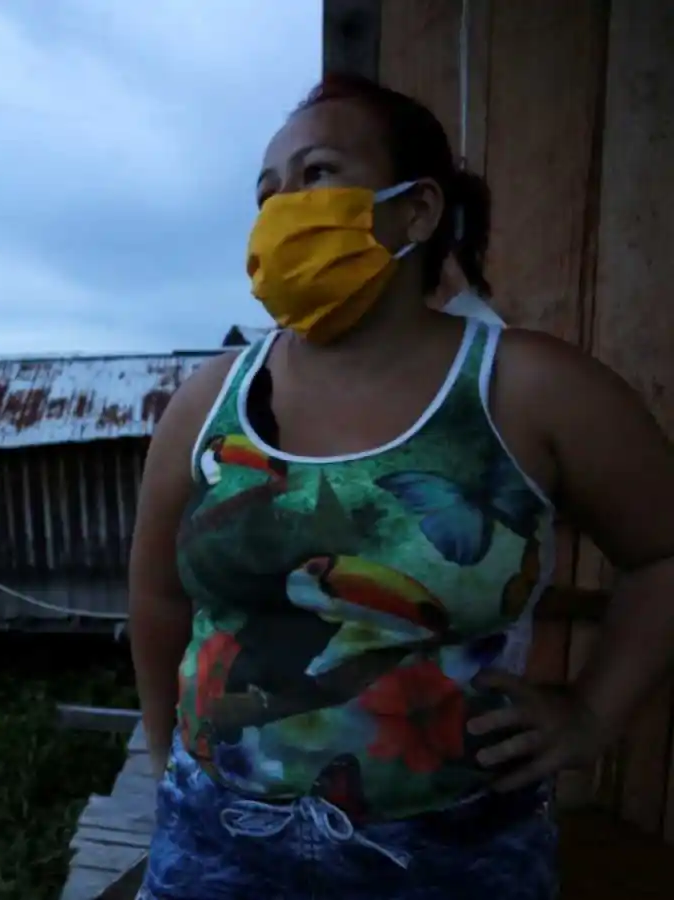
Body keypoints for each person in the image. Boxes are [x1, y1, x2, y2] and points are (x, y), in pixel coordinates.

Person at [128, 73, 674, 899]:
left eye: (316, 174)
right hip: (218, 843)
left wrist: (591, 716)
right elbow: (158, 593)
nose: (283, 209)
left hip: (457, 854)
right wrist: (165, 754)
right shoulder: (210, 401)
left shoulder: (529, 388)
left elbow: (663, 555)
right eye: (267, 192)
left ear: (416, 210)